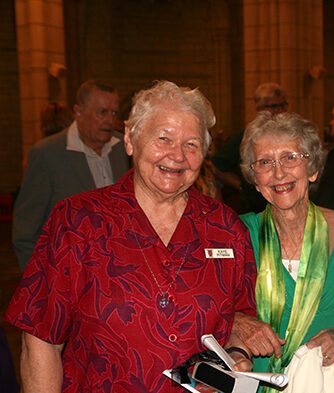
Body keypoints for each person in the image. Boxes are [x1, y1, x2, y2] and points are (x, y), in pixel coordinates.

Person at [4, 81, 257, 392]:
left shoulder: (226, 227)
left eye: (191, 144)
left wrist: (236, 355)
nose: (177, 156)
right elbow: (41, 339)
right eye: (163, 139)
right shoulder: (78, 222)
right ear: (129, 139)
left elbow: (238, 319)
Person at [233, 111, 334, 392]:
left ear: (312, 169)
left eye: (290, 157)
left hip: (328, 384)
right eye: (265, 162)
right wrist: (236, 322)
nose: (278, 173)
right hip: (260, 384)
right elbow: (206, 306)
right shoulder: (237, 234)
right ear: (254, 178)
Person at [12, 80, 130, 270]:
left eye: (114, 112)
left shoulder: (122, 148)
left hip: (117, 271)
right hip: (68, 274)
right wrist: (39, 284)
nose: (110, 120)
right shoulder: (47, 155)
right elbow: (25, 232)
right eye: (102, 112)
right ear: (79, 111)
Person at [211, 82, 289, 213]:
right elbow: (216, 165)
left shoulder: (289, 134)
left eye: (283, 105)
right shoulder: (249, 135)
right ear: (261, 109)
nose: (280, 110)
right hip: (257, 207)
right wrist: (242, 186)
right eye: (274, 106)